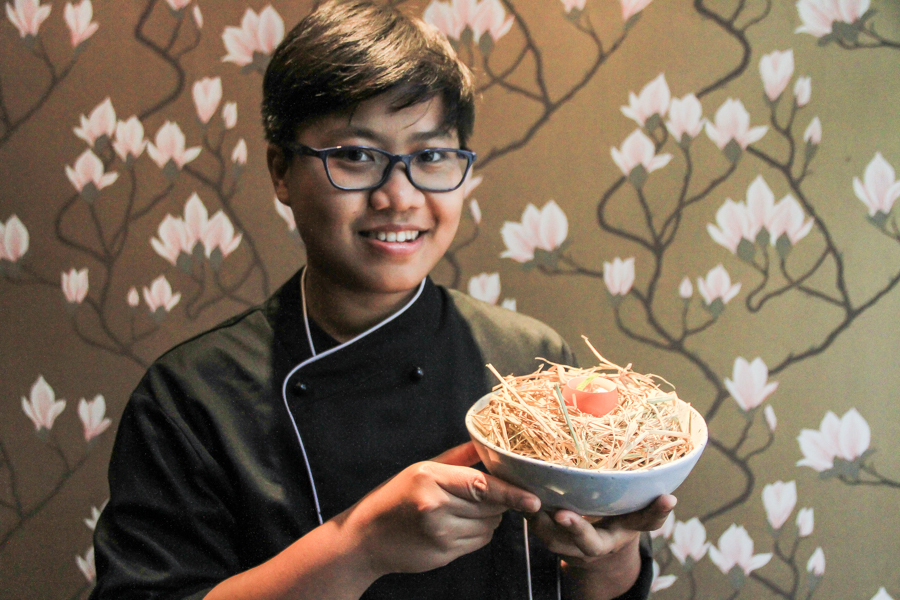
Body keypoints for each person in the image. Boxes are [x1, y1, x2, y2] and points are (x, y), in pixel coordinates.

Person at [90, 1, 675, 599]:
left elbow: (598, 586)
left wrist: (609, 556)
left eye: (430, 156)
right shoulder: (191, 398)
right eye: (356, 155)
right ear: (280, 172)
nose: (399, 197)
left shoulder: (528, 362)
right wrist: (361, 546)